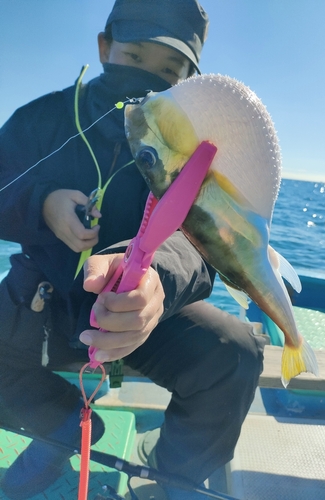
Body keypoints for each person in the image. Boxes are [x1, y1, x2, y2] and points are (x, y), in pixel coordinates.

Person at [0, 1, 265, 498]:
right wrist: (44, 205)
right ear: (105, 47)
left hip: (143, 313)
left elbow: (209, 241)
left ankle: (174, 475)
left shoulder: (196, 150)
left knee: (235, 354)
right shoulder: (41, 118)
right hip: (43, 301)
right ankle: (58, 426)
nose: (148, 76)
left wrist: (158, 282)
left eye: (169, 70)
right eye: (136, 56)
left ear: (190, 79)